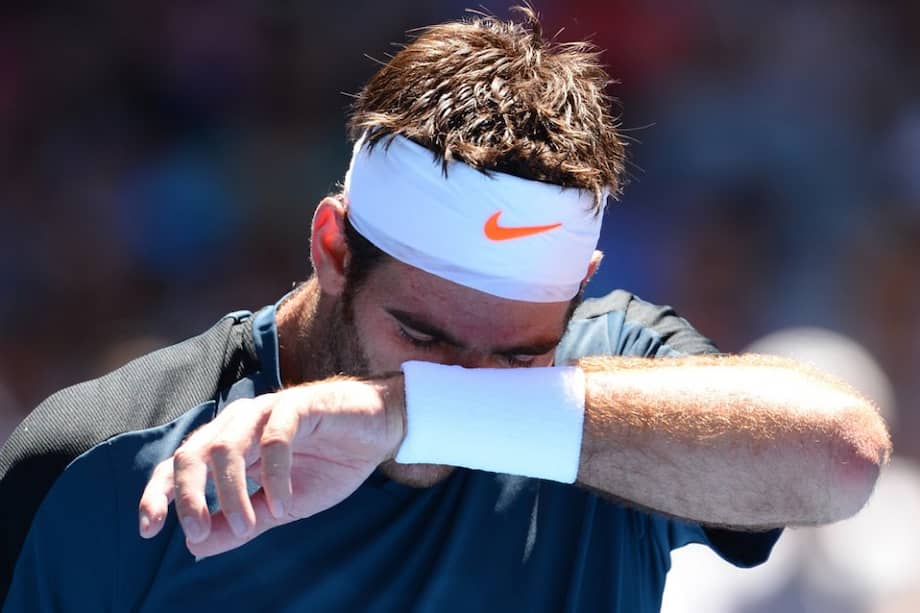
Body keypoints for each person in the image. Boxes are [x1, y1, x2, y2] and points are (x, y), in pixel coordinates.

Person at [0, 8, 890, 612]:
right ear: (331, 247)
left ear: (578, 287)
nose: (467, 381)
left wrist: (401, 412)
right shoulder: (102, 460)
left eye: (518, 356)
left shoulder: (611, 367)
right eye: (422, 334)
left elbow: (843, 458)